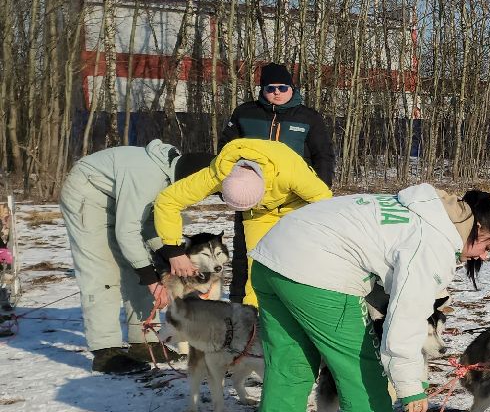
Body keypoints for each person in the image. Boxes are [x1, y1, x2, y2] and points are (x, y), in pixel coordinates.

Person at [247, 185, 490, 412]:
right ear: (478, 227)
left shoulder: (421, 210)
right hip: (321, 271)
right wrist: (412, 387)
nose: (485, 257)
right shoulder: (434, 243)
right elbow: (406, 321)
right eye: (489, 247)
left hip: (272, 257)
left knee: (288, 369)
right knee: (362, 373)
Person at [57, 140, 214, 373]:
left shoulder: (168, 181)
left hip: (118, 200)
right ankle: (105, 350)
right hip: (89, 195)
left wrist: (171, 254)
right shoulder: (148, 178)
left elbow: (150, 224)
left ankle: (143, 341)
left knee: (140, 264)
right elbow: (127, 232)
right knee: (102, 270)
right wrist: (151, 280)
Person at [152, 137, 332, 306]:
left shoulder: (289, 171)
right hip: (257, 214)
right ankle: (254, 321)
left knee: (296, 266)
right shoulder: (218, 173)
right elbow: (168, 200)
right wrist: (174, 251)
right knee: (258, 271)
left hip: (296, 206)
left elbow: (324, 202)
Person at [219, 62, 336, 303]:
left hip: (296, 202)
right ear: (262, 89)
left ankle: (294, 303)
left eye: (282, 87)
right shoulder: (245, 113)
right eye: (270, 88)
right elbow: (225, 152)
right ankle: (243, 310)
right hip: (253, 198)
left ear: (292, 88)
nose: (277, 92)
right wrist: (227, 186)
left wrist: (320, 193)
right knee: (247, 256)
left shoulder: (308, 117)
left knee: (294, 254)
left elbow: (323, 155)